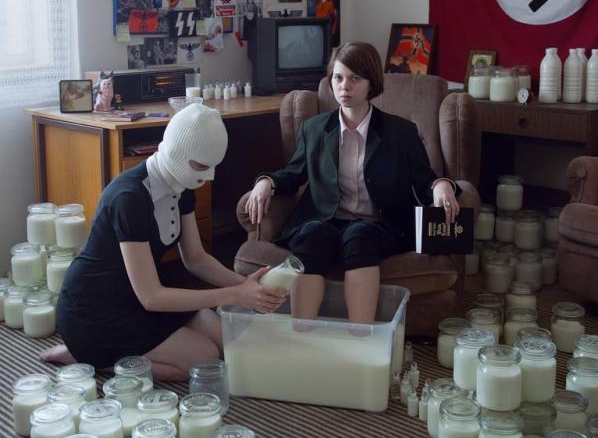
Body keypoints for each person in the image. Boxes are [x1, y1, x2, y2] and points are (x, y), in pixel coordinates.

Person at [41, 105, 286, 379]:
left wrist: (246, 285)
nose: (209, 176)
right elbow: (151, 297)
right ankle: (89, 357)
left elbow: (196, 258)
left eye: (214, 166)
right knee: (205, 358)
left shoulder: (182, 185)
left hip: (136, 298)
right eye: (202, 166)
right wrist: (233, 295)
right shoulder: (128, 197)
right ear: (177, 154)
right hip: (93, 313)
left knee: (226, 340)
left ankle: (106, 354)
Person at [245, 42, 459, 324]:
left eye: (355, 78)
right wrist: (266, 182)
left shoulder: (401, 132)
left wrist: (442, 185)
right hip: (327, 220)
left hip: (380, 225)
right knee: (311, 234)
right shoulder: (314, 129)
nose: (344, 86)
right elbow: (294, 173)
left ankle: (362, 336)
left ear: (371, 83)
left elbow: (424, 181)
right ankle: (302, 333)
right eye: (338, 77)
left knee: (359, 235)